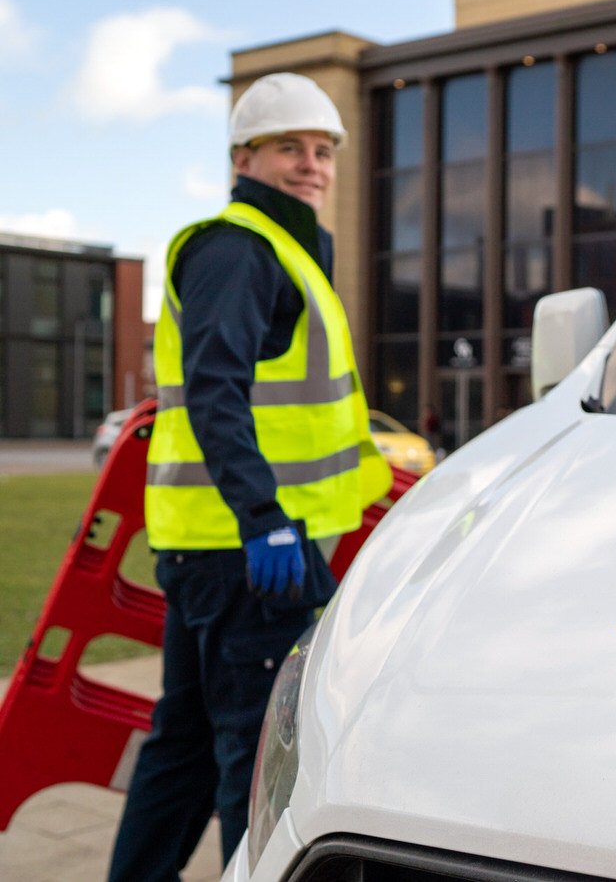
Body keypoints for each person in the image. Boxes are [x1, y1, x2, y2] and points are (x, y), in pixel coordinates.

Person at [107, 73, 390, 880]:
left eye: (323, 150)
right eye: (290, 148)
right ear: (244, 157)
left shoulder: (283, 250)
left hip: (222, 549)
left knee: (187, 745)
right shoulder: (239, 248)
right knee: (252, 759)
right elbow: (214, 389)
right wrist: (264, 516)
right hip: (253, 552)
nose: (312, 165)